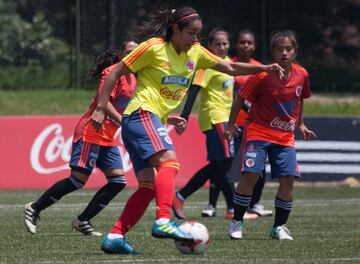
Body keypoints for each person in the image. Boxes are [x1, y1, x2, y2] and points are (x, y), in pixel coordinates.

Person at [89, 6, 284, 254]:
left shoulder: (196, 53)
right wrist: (100, 107)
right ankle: (162, 220)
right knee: (170, 163)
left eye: (199, 34)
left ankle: (115, 236)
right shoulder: (154, 48)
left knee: (148, 186)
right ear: (175, 29)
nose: (196, 39)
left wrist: (264, 68)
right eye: (192, 33)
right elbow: (114, 71)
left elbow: (230, 68)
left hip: (147, 119)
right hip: (140, 114)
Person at [24, 40, 139, 236]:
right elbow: (105, 103)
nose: (132, 56)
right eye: (128, 52)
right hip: (91, 131)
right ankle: (35, 208)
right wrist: (123, 122)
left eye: (136, 53)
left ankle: (83, 219)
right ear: (120, 54)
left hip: (108, 136)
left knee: (118, 181)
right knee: (78, 180)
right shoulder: (112, 72)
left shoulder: (134, 78)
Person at [224, 30, 316, 241]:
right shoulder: (263, 75)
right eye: (279, 49)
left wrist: (300, 123)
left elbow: (300, 98)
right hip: (258, 131)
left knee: (288, 180)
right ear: (273, 51)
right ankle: (237, 221)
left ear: (295, 51)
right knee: (251, 175)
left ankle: (279, 227)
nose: (284, 53)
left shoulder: (302, 74)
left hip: (285, 137)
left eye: (288, 49)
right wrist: (230, 126)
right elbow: (239, 100)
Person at [172, 28, 236, 221]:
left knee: (218, 166)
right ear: (210, 46)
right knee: (224, 166)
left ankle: (180, 197)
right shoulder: (207, 66)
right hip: (215, 119)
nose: (222, 47)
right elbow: (194, 90)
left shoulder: (230, 64)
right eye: (218, 44)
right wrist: (184, 116)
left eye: (225, 43)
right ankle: (234, 209)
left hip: (224, 119)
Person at [229, 29, 272, 218]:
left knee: (259, 167)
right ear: (236, 44)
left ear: (254, 46)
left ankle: (254, 204)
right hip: (233, 124)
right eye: (242, 42)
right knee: (227, 167)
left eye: (250, 43)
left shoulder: (260, 68)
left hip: (254, 126)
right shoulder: (228, 66)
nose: (246, 45)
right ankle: (222, 205)